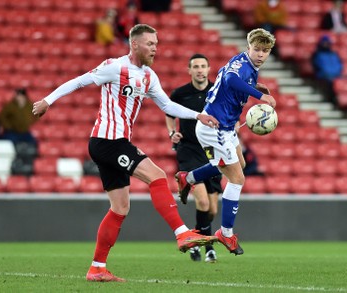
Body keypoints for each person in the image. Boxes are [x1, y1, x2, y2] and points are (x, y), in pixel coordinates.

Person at [32, 24, 219, 282]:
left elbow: (167, 105)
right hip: (108, 140)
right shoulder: (114, 66)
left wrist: (199, 115)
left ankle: (97, 267)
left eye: (156, 43)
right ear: (134, 44)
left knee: (120, 208)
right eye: (150, 43)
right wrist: (47, 101)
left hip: (112, 143)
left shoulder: (149, 76)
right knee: (157, 175)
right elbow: (79, 81)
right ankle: (182, 232)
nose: (155, 48)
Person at [175, 28, 276, 256]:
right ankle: (226, 233)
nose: (260, 54)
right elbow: (230, 78)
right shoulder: (242, 66)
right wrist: (260, 96)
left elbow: (225, 76)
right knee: (237, 178)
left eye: (265, 51)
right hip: (215, 127)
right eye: (257, 49)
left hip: (226, 127)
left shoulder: (247, 66)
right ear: (248, 47)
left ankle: (188, 177)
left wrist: (254, 87)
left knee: (237, 163)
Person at [165, 53, 222, 263]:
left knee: (213, 209)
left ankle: (194, 240)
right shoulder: (180, 93)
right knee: (203, 201)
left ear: (208, 69)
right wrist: (173, 133)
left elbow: (228, 114)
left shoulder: (217, 91)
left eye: (203, 66)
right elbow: (169, 113)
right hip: (188, 151)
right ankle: (208, 248)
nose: (199, 70)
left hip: (212, 152)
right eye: (195, 66)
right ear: (189, 70)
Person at [311, 35, 343, 105]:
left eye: (328, 43)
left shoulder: (334, 54)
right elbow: (317, 66)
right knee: (330, 83)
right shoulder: (316, 54)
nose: (326, 45)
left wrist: (336, 74)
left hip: (336, 75)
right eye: (324, 43)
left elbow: (340, 65)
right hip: (324, 76)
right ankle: (332, 101)